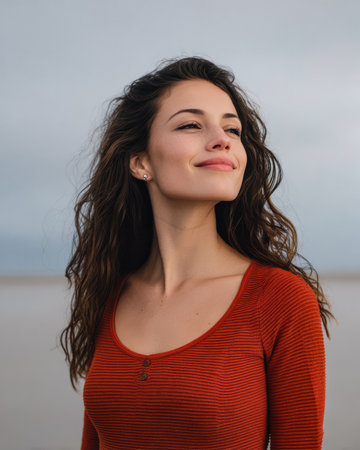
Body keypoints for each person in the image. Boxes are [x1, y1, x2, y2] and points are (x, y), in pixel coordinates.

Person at [60, 56, 335, 449]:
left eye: (232, 128)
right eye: (191, 124)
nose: (222, 138)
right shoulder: (112, 291)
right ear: (140, 162)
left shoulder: (282, 300)